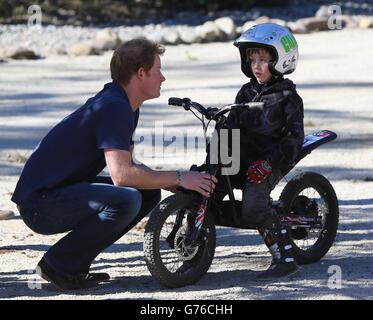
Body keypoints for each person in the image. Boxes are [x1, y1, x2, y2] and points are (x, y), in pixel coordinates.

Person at [11, 38, 217, 290]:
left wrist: (169, 181)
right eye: (158, 70)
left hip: (51, 194)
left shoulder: (125, 104)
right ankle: (59, 265)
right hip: (39, 204)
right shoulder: (114, 108)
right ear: (141, 73)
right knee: (126, 199)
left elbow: (128, 164)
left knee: (147, 193)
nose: (163, 78)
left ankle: (70, 266)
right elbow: (122, 175)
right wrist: (180, 177)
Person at [213, 23, 304, 279]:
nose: (256, 65)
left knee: (253, 207)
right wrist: (214, 161)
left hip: (270, 160)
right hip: (243, 157)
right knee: (208, 186)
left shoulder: (288, 97)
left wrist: (268, 164)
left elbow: (294, 139)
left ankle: (285, 257)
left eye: (263, 59)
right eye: (252, 59)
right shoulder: (246, 91)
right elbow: (231, 127)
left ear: (280, 60)